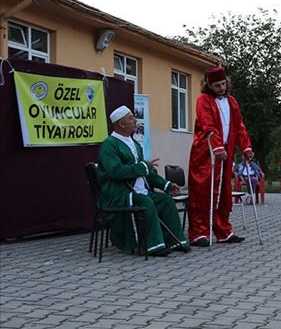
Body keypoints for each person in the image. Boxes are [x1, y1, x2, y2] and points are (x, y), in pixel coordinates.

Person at [98, 106, 187, 256]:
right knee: (146, 202)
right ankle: (153, 246)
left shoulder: (135, 144)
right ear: (121, 124)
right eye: (131, 117)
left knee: (166, 200)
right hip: (121, 194)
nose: (135, 120)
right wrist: (143, 166)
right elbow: (115, 171)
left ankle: (175, 241)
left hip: (140, 192)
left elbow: (147, 173)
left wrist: (167, 185)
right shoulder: (109, 145)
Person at [187, 66, 252, 246]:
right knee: (203, 192)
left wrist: (246, 148)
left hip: (225, 153)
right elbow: (207, 125)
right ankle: (199, 232)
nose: (221, 88)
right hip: (205, 154)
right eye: (217, 85)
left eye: (223, 84)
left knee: (224, 192)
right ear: (209, 85)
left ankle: (223, 230)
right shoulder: (203, 100)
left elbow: (239, 127)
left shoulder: (232, 102)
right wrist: (216, 146)